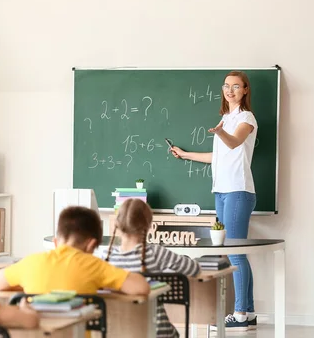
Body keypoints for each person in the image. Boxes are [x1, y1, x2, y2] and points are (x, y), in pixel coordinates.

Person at [171, 70, 258, 331]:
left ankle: (240, 313)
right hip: (221, 191)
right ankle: (248, 311)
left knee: (234, 253)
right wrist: (185, 155)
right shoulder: (225, 118)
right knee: (235, 252)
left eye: (236, 86)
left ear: (245, 90)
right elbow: (217, 156)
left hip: (238, 191)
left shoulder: (246, 118)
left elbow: (234, 142)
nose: (230, 90)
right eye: (226, 86)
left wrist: (220, 133)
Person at [0, 206, 149, 296]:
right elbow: (141, 288)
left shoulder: (30, 263)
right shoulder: (93, 266)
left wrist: (27, 286)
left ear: (56, 242)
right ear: (91, 245)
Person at [104, 198, 200, 338]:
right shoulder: (155, 253)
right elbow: (193, 269)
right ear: (148, 225)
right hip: (156, 332)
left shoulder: (103, 257)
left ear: (117, 224)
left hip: (114, 331)